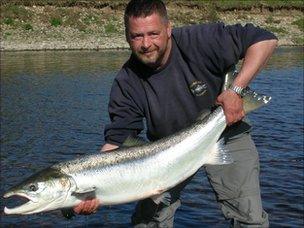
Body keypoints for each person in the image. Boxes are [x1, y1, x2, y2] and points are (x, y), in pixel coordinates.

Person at [73, 0, 278, 227]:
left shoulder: (201, 40)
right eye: (136, 36)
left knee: (248, 216)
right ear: (126, 36)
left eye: (153, 34)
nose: (146, 44)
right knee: (147, 222)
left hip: (226, 129)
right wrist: (91, 190)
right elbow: (117, 143)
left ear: (169, 29)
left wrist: (236, 91)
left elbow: (265, 39)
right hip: (165, 152)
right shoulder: (126, 82)